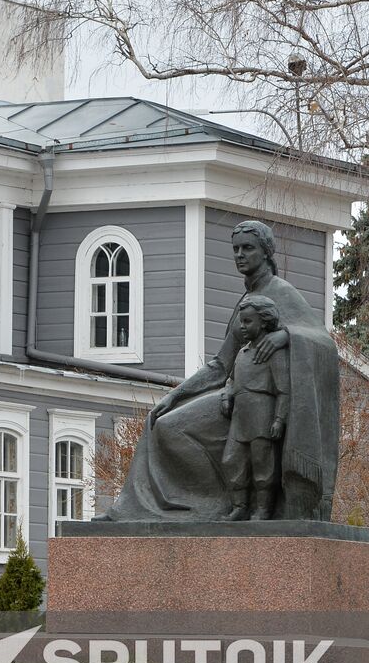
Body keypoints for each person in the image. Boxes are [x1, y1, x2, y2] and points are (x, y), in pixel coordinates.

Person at [105, 219, 338, 522]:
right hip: (236, 399)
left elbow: (324, 344)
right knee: (162, 423)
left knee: (171, 429)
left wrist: (287, 336)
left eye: (248, 248)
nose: (240, 254)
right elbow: (220, 365)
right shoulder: (247, 299)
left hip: (263, 407)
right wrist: (175, 396)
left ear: (266, 252)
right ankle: (200, 505)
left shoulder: (281, 292)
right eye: (236, 249)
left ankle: (212, 505)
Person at [220, 294, 290, 521]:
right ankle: (239, 506)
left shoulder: (272, 352)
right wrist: (227, 394)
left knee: (263, 464)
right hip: (240, 416)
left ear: (264, 322)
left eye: (248, 321)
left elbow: (283, 390)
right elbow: (231, 379)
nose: (243, 326)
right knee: (232, 460)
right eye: (241, 321)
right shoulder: (243, 352)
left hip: (263, 414)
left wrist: (279, 419)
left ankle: (263, 509)